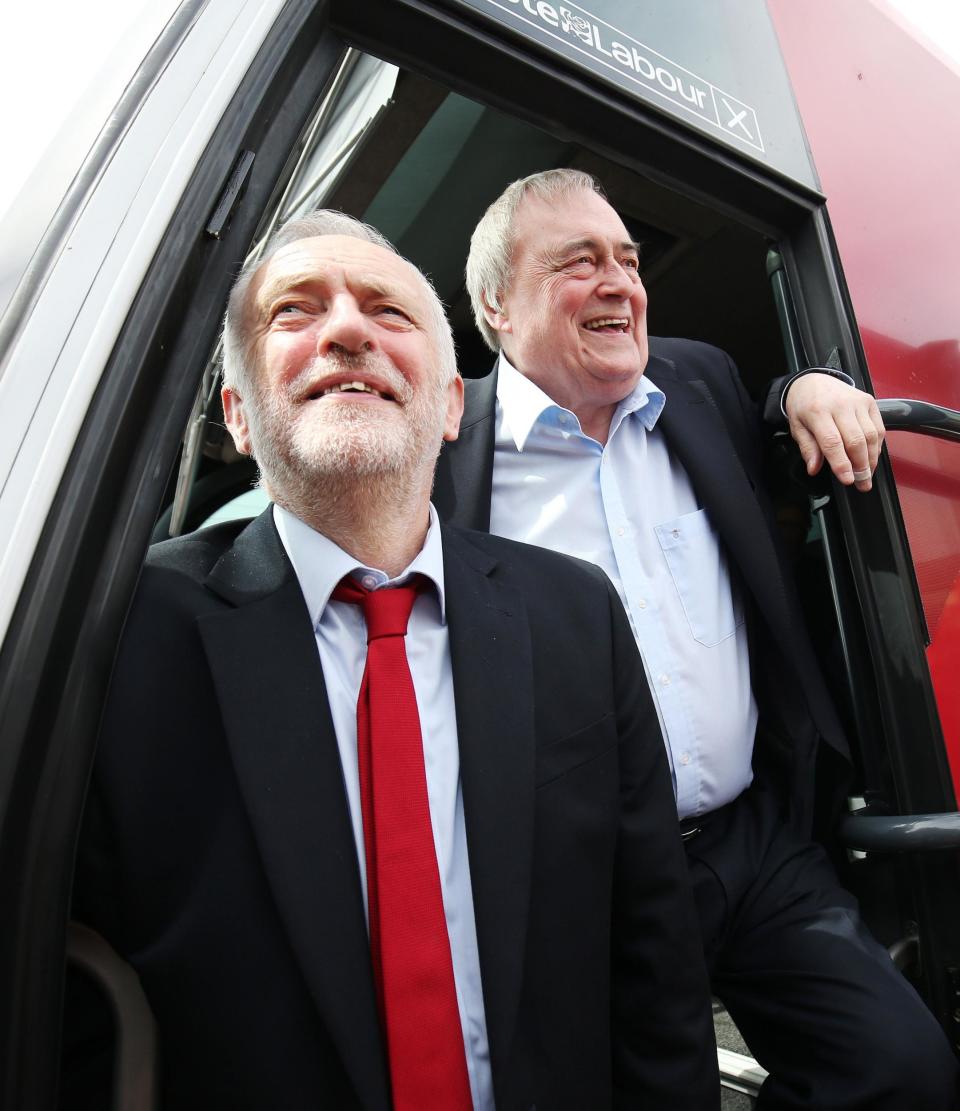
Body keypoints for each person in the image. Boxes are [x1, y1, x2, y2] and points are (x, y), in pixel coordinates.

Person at [71, 210, 720, 1110]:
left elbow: (655, 960)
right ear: (239, 416)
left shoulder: (577, 615)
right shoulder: (122, 635)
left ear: (453, 402)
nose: (346, 329)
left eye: (388, 310)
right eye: (294, 313)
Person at [433, 168, 960, 1110]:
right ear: (495, 306)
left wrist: (807, 386)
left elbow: (771, 421)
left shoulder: (697, 381)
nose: (620, 282)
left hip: (754, 844)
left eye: (629, 261)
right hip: (585, 879)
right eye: (578, 261)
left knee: (904, 1071)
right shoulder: (443, 454)